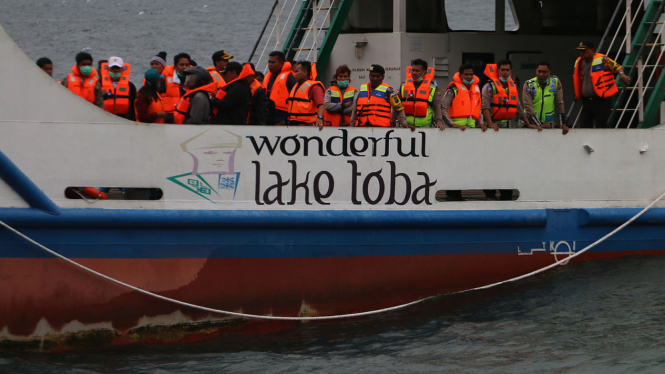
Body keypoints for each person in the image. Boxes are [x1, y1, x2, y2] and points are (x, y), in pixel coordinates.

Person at [573, 40, 629, 128]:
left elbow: (617, 67)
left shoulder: (602, 59)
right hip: (587, 101)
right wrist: (577, 94)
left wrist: (622, 75)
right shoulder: (579, 63)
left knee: (601, 126)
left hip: (601, 101)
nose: (581, 53)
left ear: (592, 50)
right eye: (580, 51)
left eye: (584, 50)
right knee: (584, 125)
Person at [349, 64, 409, 129]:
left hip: (381, 129)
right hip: (362, 128)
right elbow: (355, 109)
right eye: (373, 76)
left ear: (383, 77)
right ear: (369, 76)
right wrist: (352, 126)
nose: (375, 78)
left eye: (378, 76)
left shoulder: (389, 91)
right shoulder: (362, 90)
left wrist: (404, 124)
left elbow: (399, 109)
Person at [481, 60, 535, 132]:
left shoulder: (512, 86)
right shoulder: (489, 86)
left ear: (511, 72)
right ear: (497, 71)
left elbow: (518, 107)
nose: (505, 72)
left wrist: (528, 124)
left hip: (505, 126)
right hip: (489, 126)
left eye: (507, 70)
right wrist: (490, 124)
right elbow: (485, 107)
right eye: (502, 70)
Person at [397, 59, 444, 130]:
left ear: (424, 73)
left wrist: (439, 123)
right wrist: (393, 122)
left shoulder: (433, 87)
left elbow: (437, 107)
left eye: (417, 71)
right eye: (413, 70)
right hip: (406, 126)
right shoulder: (403, 86)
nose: (414, 73)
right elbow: (396, 105)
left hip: (425, 127)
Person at [523, 62, 569, 135]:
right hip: (530, 123)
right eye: (539, 71)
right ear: (536, 71)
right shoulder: (529, 84)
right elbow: (527, 106)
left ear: (549, 73)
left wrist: (562, 123)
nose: (541, 74)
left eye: (544, 72)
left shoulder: (555, 82)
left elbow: (559, 102)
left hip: (548, 124)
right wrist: (539, 124)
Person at [442, 64, 484, 131]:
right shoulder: (453, 90)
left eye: (471, 74)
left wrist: (481, 123)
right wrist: (451, 124)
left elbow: (478, 109)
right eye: (466, 74)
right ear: (460, 75)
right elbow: (443, 108)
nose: (469, 77)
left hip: (472, 128)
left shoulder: (476, 90)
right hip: (455, 129)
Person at [286, 61, 326, 127]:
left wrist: (320, 118)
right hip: (292, 124)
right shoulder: (296, 86)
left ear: (304, 72)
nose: (294, 74)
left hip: (307, 125)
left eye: (297, 71)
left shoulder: (314, 87)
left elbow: (321, 104)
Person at [263, 51, 296, 125]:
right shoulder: (268, 77)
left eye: (273, 62)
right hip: (268, 115)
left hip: (283, 117)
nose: (270, 65)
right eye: (269, 62)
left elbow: (296, 100)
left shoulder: (289, 79)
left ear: (281, 63)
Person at [100, 56, 136, 121]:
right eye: (113, 68)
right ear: (108, 69)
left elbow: (133, 107)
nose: (115, 70)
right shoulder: (99, 84)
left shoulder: (130, 86)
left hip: (124, 120)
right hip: (103, 119)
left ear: (122, 69)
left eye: (118, 68)